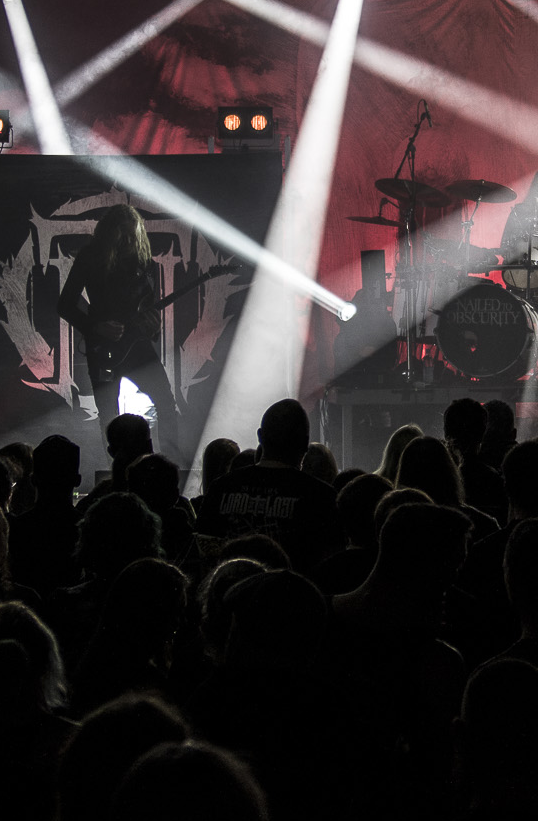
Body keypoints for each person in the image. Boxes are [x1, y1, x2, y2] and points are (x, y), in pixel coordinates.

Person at [59, 203, 184, 456]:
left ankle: (169, 464)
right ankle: (116, 469)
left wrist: (154, 328)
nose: (128, 241)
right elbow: (65, 305)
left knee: (166, 402)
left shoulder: (144, 263)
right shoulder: (91, 257)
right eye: (122, 235)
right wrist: (96, 327)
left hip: (137, 346)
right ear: (109, 234)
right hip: (103, 348)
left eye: (132, 235)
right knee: (109, 415)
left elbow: (147, 309)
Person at [198, 400, 344, 571]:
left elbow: (205, 554)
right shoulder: (322, 497)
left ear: (260, 436)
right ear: (305, 443)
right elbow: (333, 565)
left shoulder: (221, 488)